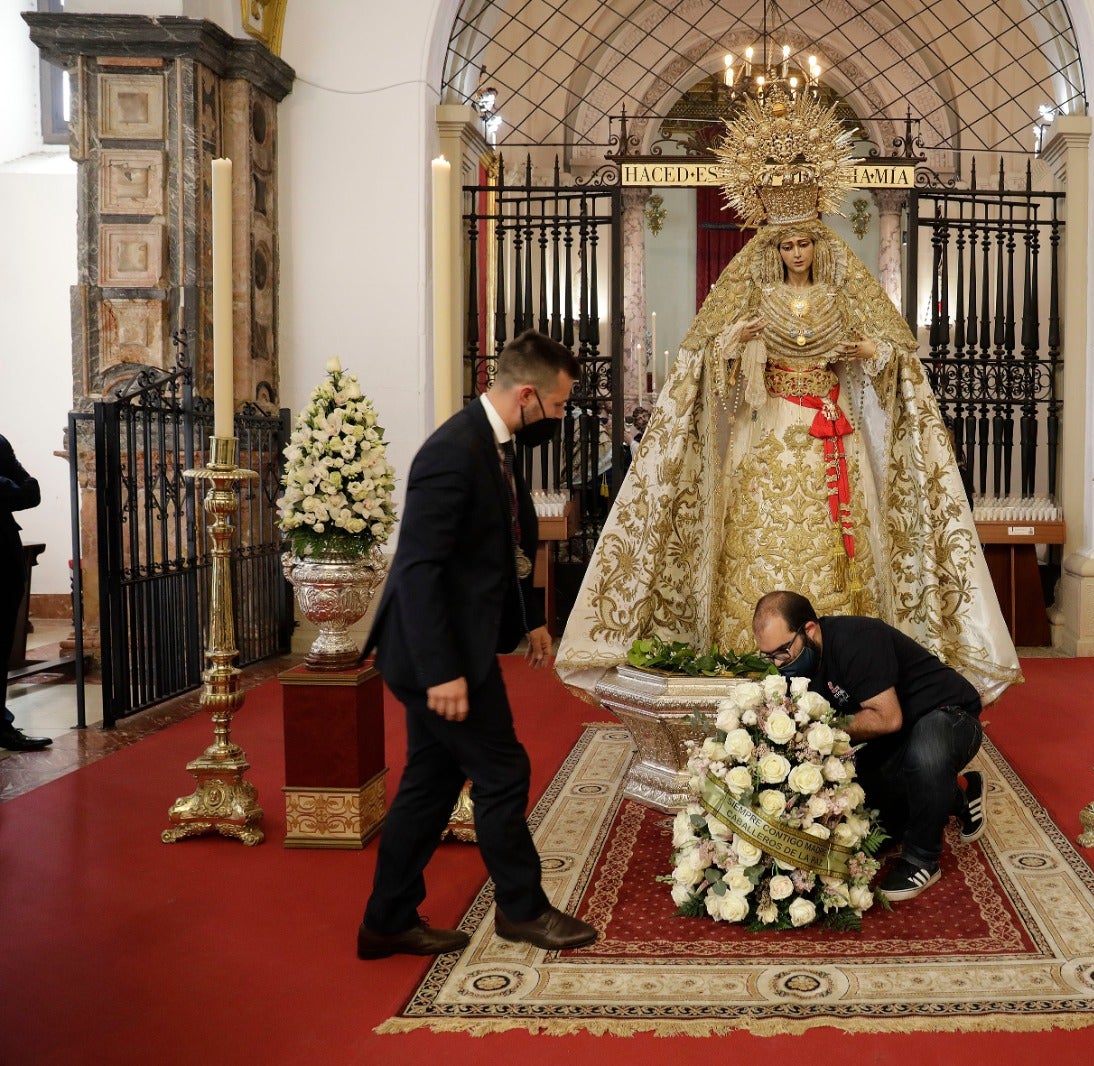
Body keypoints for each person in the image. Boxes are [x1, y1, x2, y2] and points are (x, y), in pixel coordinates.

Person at [557, 93, 1019, 704]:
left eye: (804, 244)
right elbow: (702, 362)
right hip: (769, 428)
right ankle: (745, 651)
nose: (795, 253)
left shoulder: (843, 292)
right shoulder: (753, 294)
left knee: (838, 536)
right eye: (786, 246)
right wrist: (735, 342)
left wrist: (868, 355)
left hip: (831, 430)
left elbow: (895, 357)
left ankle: (834, 652)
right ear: (772, 248)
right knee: (756, 525)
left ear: (819, 245)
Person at [356, 329, 597, 958]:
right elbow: (418, 568)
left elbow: (500, 553)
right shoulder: (453, 452)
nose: (561, 416)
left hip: (453, 648)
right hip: (435, 657)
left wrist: (529, 625)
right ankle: (523, 910)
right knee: (502, 770)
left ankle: (387, 921)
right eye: (560, 405)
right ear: (526, 395)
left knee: (431, 786)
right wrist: (442, 672)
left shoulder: (492, 445)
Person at [752, 590, 986, 903]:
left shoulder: (858, 640)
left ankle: (922, 859)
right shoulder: (798, 663)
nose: (778, 664)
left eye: (782, 652)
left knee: (926, 752)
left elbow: (887, 719)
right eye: (768, 656)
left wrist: (820, 730)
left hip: (948, 718)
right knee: (872, 826)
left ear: (808, 629)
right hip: (900, 738)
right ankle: (958, 796)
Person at [1, 433, 51, 753]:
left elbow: (31, 492)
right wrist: (7, 487)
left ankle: (1, 728)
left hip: (3, 561)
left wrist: (4, 486)